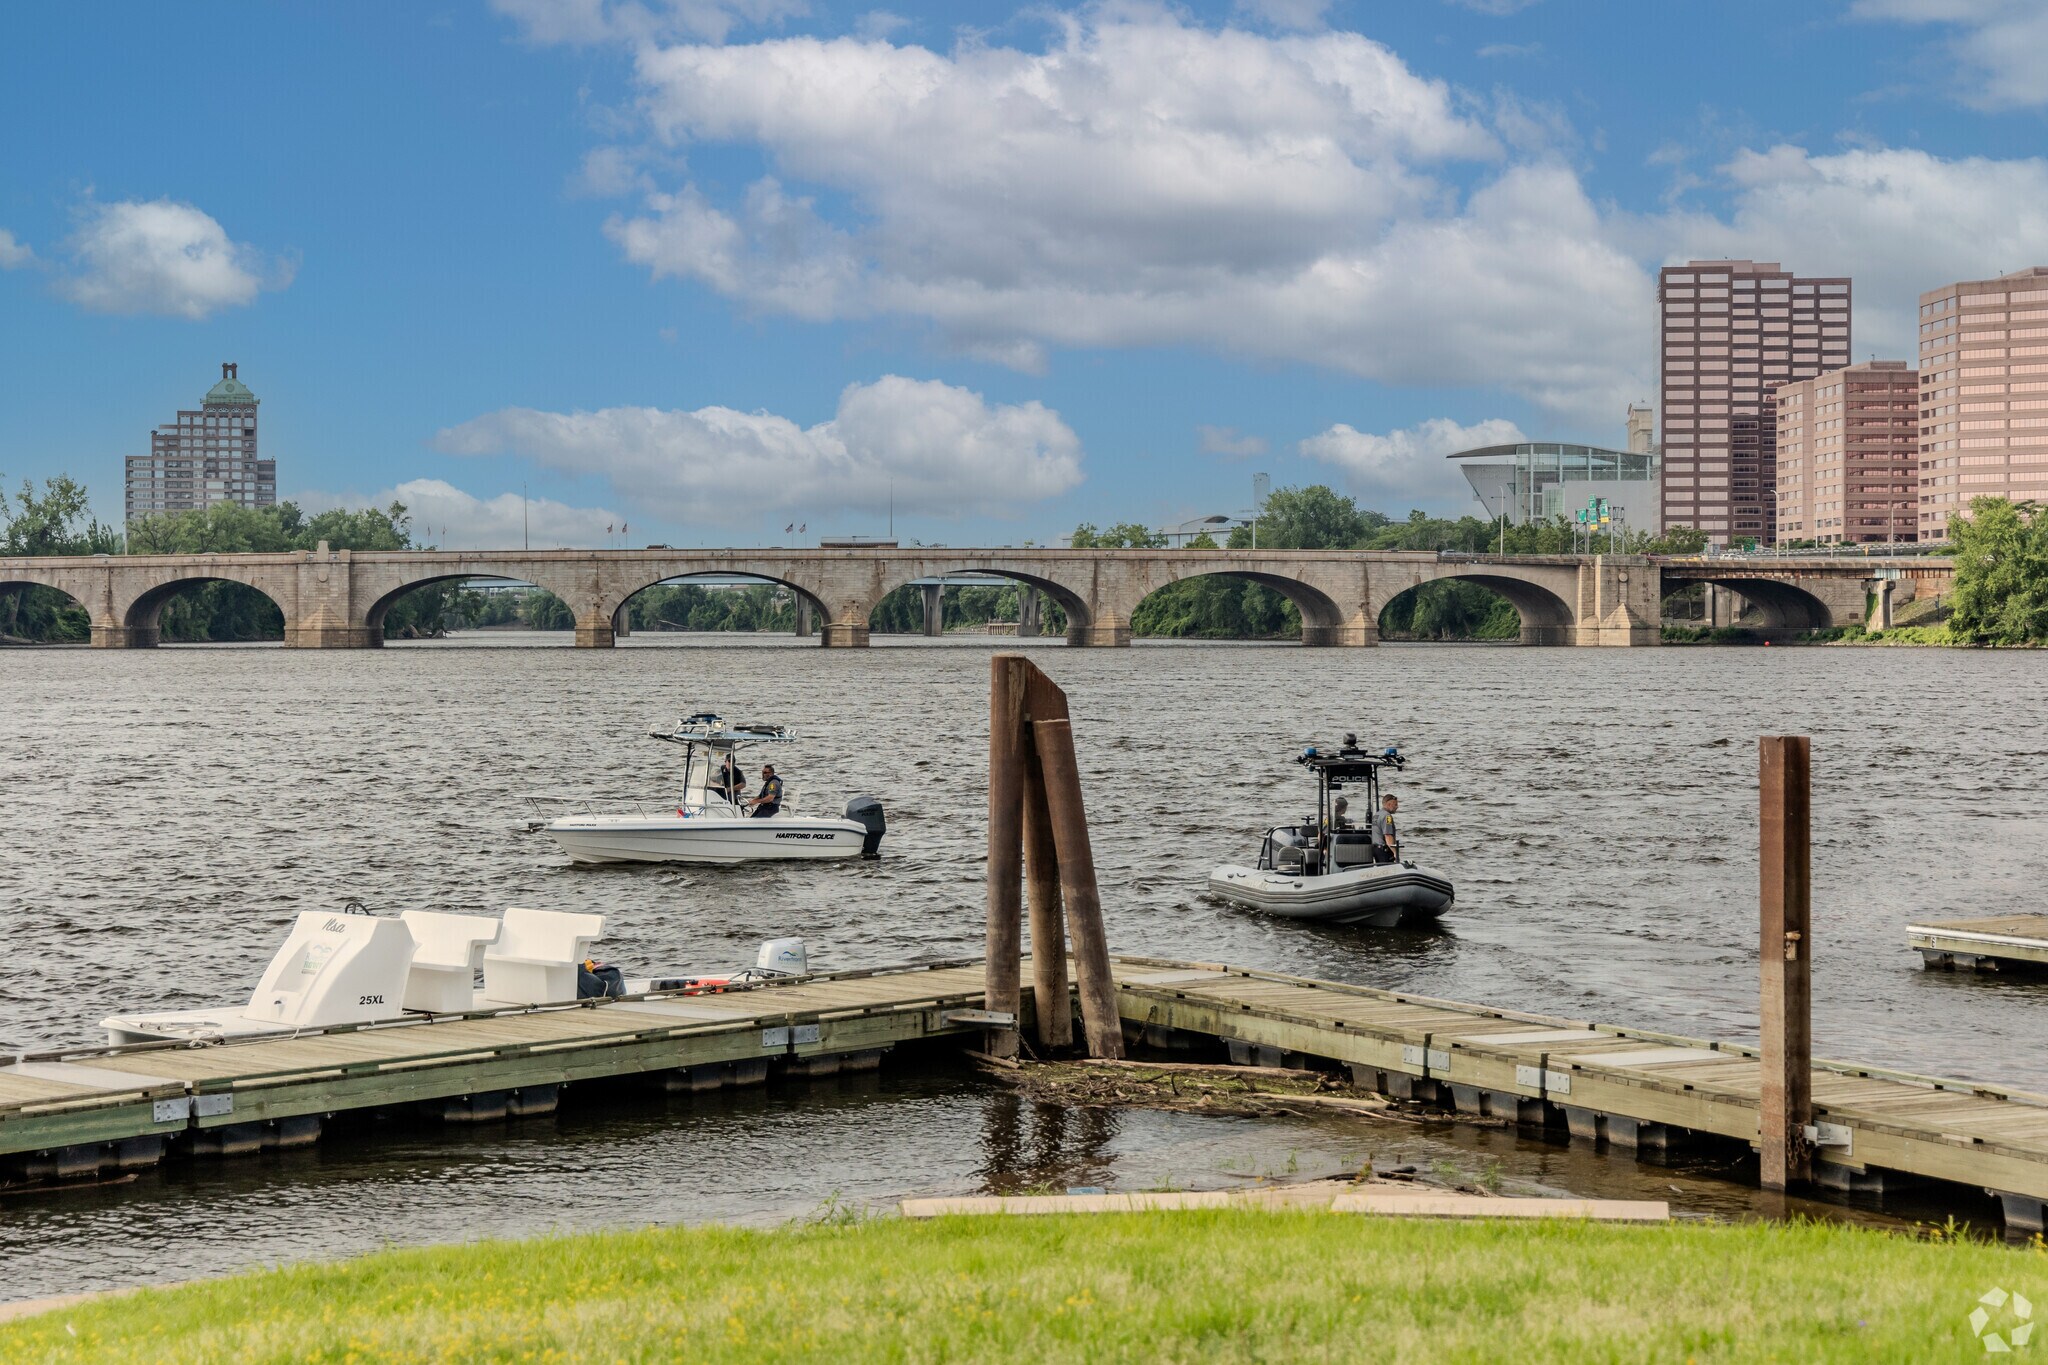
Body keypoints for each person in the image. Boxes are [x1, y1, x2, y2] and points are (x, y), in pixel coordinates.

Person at [1371, 793, 1401, 864]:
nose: (1397, 807)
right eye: (1395, 804)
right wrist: (1395, 852)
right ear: (1389, 804)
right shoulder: (1387, 816)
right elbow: (1388, 835)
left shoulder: (1376, 815)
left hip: (1375, 849)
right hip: (1384, 850)